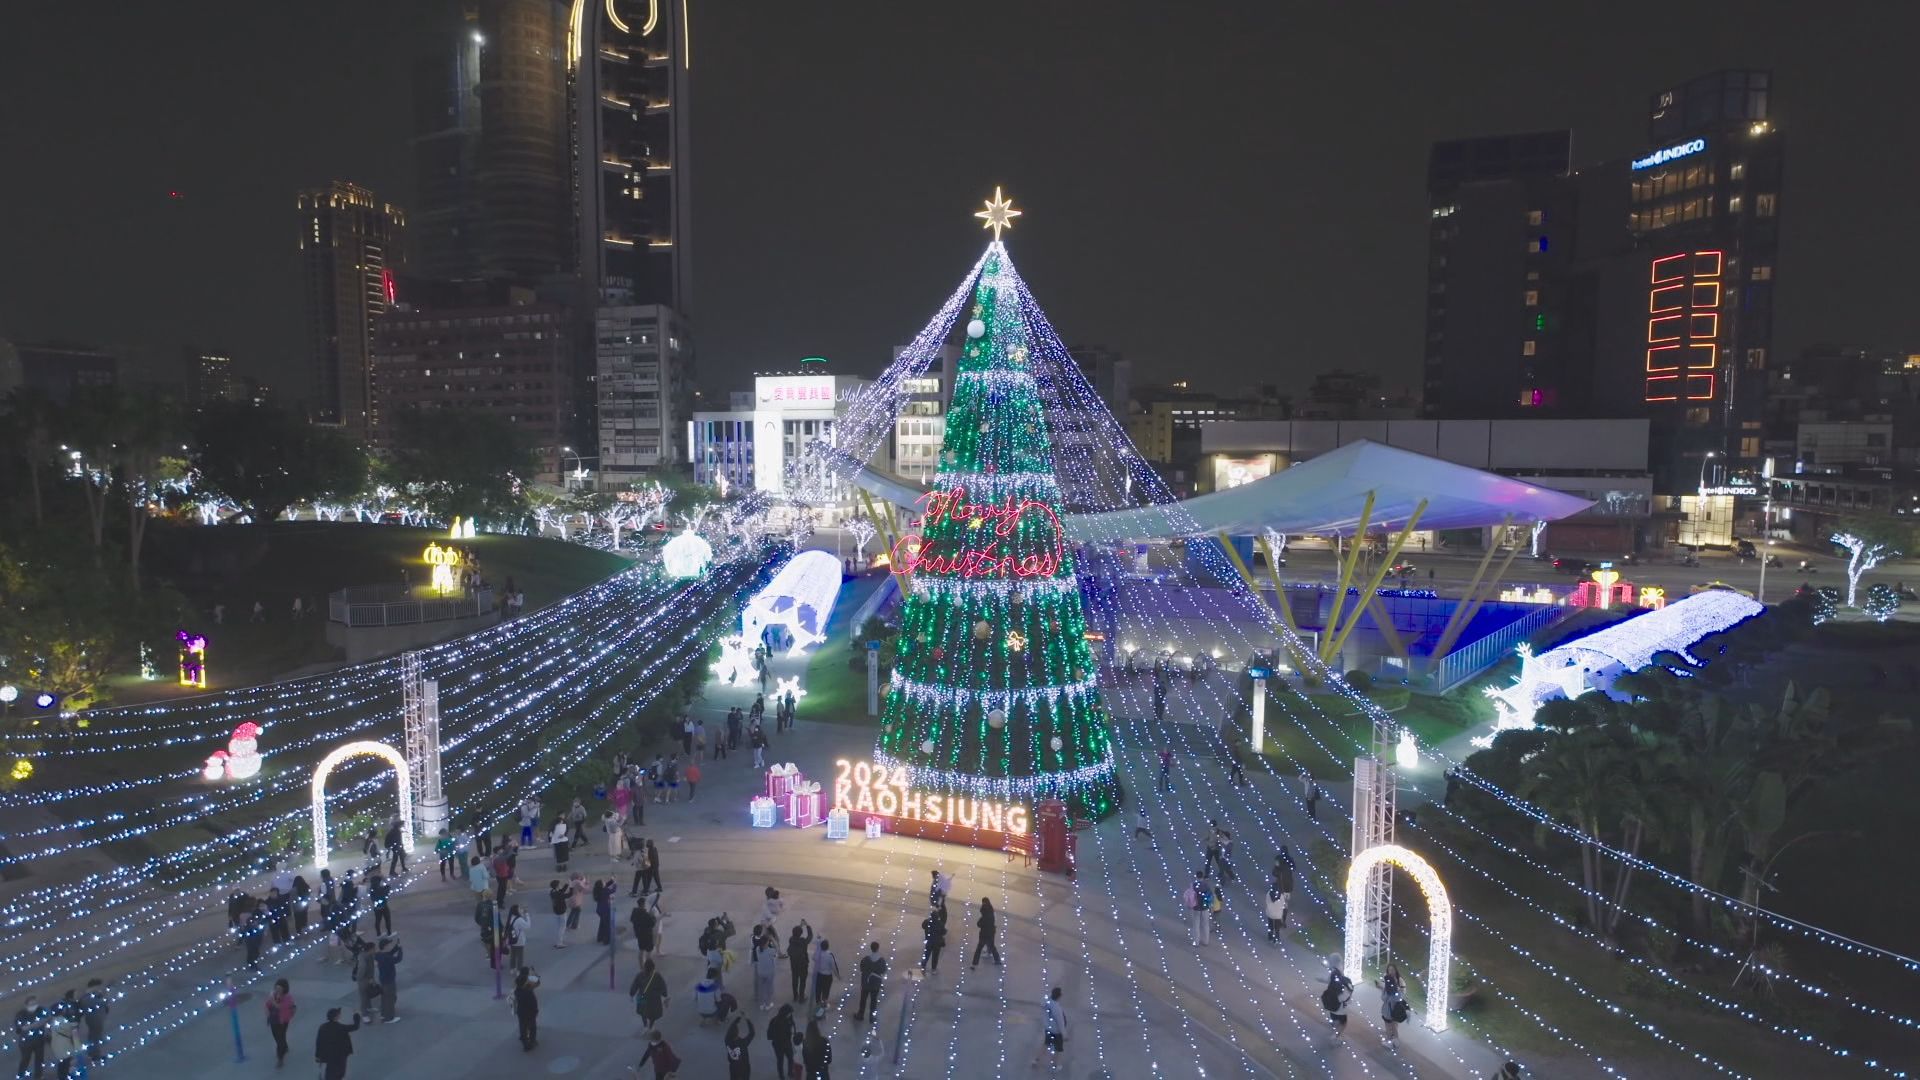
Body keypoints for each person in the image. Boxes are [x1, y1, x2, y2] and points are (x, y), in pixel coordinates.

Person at [313, 1008, 361, 1080]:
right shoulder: (341, 1027)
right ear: (335, 1017)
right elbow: (355, 1026)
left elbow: (319, 1042)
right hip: (341, 1054)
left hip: (328, 1054)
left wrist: (318, 1055)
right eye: (339, 1014)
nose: (340, 1015)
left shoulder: (323, 1027)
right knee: (340, 1071)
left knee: (330, 1070)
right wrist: (356, 1015)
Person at [1032, 986, 1067, 1073]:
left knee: (1045, 1045)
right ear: (1059, 996)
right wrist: (1064, 1034)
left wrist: (1050, 994)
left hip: (1048, 1028)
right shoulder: (1057, 1008)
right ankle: (1056, 1065)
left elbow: (1042, 1001)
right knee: (1058, 1049)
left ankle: (1035, 1060)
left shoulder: (1046, 1002)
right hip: (1056, 1031)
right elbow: (1061, 1023)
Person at [14, 995, 48, 1080]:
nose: (34, 1006)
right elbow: (22, 1028)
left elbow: (46, 1019)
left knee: (39, 1060)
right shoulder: (21, 1014)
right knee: (25, 1060)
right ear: (26, 1005)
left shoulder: (41, 1010)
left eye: (35, 1003)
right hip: (26, 1043)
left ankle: (38, 1076)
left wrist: (31, 1025)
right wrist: (37, 1023)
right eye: (31, 1004)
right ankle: (20, 1075)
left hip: (39, 1040)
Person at [264, 978, 296, 1066]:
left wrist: (272, 1000)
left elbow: (280, 1007)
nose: (277, 990)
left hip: (283, 1021)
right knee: (278, 1037)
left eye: (279, 988)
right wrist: (267, 1012)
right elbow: (267, 1004)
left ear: (284, 989)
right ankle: (284, 1047)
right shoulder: (274, 994)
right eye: (276, 988)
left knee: (279, 1040)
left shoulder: (288, 998)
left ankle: (280, 1058)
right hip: (273, 1020)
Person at [630, 960, 668, 1030]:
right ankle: (651, 1026)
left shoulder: (640, 975)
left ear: (644, 967)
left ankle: (645, 1025)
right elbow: (663, 986)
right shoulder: (657, 976)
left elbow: (635, 985)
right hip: (654, 998)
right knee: (653, 1014)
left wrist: (632, 994)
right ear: (653, 968)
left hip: (642, 996)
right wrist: (665, 994)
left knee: (642, 1012)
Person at [854, 941, 887, 1021]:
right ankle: (872, 1017)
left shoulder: (865, 959)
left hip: (866, 983)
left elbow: (861, 969)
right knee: (874, 1000)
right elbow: (884, 970)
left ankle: (860, 1014)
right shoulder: (881, 961)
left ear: (871, 948)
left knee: (863, 999)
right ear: (878, 948)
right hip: (876, 984)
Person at [375, 936, 403, 1023]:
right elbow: (398, 959)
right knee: (391, 998)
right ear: (385, 946)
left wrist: (396, 947)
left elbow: (389, 953)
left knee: (384, 998)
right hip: (389, 980)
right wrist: (400, 950)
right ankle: (389, 1017)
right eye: (388, 945)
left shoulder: (379, 955)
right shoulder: (386, 958)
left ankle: (383, 1014)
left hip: (383, 979)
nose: (389, 946)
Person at [753, 928, 781, 1011]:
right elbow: (777, 948)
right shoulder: (770, 951)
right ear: (766, 943)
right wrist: (772, 938)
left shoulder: (758, 949)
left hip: (760, 972)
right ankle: (768, 1004)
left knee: (761, 988)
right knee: (769, 988)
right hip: (769, 973)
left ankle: (762, 1004)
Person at [512, 968, 540, 1051]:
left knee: (523, 1026)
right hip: (530, 1013)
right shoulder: (528, 992)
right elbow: (533, 1003)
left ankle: (524, 1041)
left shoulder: (518, 991)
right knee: (532, 1027)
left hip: (521, 1012)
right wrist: (536, 1011)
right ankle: (532, 1040)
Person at [768, 1004, 797, 1079]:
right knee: (780, 1060)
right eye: (789, 1013)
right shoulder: (776, 1022)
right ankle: (782, 1075)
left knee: (790, 1058)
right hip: (779, 1044)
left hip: (786, 1043)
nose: (790, 1015)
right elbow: (772, 1033)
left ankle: (790, 1072)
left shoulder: (789, 1019)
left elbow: (793, 1027)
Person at [787, 920, 813, 1002]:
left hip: (794, 964)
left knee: (794, 980)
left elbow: (796, 933)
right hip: (803, 964)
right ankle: (801, 997)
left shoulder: (791, 939)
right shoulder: (803, 941)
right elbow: (810, 936)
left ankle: (795, 996)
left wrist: (800, 926)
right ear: (801, 934)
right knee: (802, 981)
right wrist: (807, 926)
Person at [1186, 872, 1215, 946]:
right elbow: (1211, 896)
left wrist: (1189, 904)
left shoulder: (1193, 885)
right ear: (1202, 877)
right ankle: (1206, 941)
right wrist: (1211, 905)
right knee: (1205, 924)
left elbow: (1189, 896)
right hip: (1205, 907)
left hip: (1196, 907)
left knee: (1196, 925)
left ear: (1196, 877)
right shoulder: (1206, 885)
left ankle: (1196, 941)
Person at [724, 1013, 755, 1080]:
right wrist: (747, 1020)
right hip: (744, 1067)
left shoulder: (727, 1040)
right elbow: (752, 1033)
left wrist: (737, 1019)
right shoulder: (742, 1043)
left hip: (733, 1067)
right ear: (737, 1033)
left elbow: (730, 1029)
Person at [972, 898, 1001, 968]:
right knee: (992, 946)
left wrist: (980, 920)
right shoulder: (991, 913)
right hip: (991, 933)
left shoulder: (984, 917)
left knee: (978, 949)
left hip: (984, 935)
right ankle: (997, 960)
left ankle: (974, 964)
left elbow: (979, 924)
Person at [810, 939, 838, 1010]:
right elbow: (833, 966)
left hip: (819, 975)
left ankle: (818, 1003)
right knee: (826, 990)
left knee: (818, 989)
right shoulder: (830, 955)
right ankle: (824, 1003)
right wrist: (838, 975)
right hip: (827, 976)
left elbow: (813, 958)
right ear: (828, 947)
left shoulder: (818, 954)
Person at [631, 900, 658, 966]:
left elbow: (632, 920)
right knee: (648, 952)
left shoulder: (634, 912)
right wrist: (653, 916)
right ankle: (648, 967)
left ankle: (641, 967)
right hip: (647, 935)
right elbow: (652, 923)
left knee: (641, 950)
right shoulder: (646, 914)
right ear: (643, 905)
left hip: (639, 935)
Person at [919, 909, 946, 974]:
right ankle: (933, 969)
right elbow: (944, 932)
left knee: (926, 954)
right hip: (937, 943)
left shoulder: (927, 922)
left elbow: (923, 926)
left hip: (929, 942)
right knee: (935, 956)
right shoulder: (940, 923)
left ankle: (923, 967)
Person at [368, 872, 392, 937]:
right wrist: (385, 880)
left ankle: (378, 934)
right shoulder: (381, 888)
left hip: (376, 907)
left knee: (377, 920)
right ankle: (389, 933)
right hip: (384, 906)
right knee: (387, 919)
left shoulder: (371, 889)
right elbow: (388, 888)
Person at [507, 905, 530, 971]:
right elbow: (528, 926)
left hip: (512, 939)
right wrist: (527, 915)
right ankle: (519, 970)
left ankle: (512, 968)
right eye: (519, 908)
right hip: (519, 941)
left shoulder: (511, 918)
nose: (521, 909)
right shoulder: (519, 920)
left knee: (513, 955)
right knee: (520, 956)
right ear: (516, 911)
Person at [549, 880, 571, 948]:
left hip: (556, 911)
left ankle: (558, 942)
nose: (560, 885)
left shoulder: (552, 892)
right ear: (557, 886)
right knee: (562, 927)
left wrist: (567, 884)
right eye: (559, 884)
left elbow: (561, 891)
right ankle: (559, 943)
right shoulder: (558, 894)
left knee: (559, 927)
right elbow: (569, 895)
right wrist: (572, 888)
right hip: (562, 912)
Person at [594, 878, 614, 945]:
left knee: (602, 924)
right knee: (607, 925)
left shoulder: (598, 890)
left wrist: (611, 881)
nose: (605, 882)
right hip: (606, 910)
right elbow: (613, 890)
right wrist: (615, 884)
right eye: (603, 882)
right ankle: (606, 940)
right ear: (602, 885)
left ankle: (600, 937)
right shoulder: (605, 890)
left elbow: (605, 885)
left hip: (599, 910)